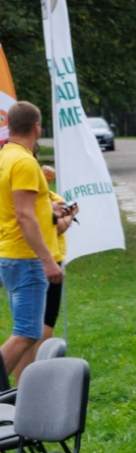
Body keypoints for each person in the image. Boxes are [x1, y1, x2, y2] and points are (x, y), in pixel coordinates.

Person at [0, 102, 62, 376]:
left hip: (12, 255)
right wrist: (48, 261)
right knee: (26, 333)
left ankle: (16, 396)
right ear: (36, 127)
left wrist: (51, 210)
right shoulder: (24, 161)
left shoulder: (6, 155)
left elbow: (20, 207)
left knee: (27, 332)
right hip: (27, 258)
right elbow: (25, 216)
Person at [38, 165, 77, 344]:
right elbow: (58, 228)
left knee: (33, 319)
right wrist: (71, 215)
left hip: (32, 256)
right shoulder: (41, 197)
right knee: (45, 318)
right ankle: (36, 360)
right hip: (48, 258)